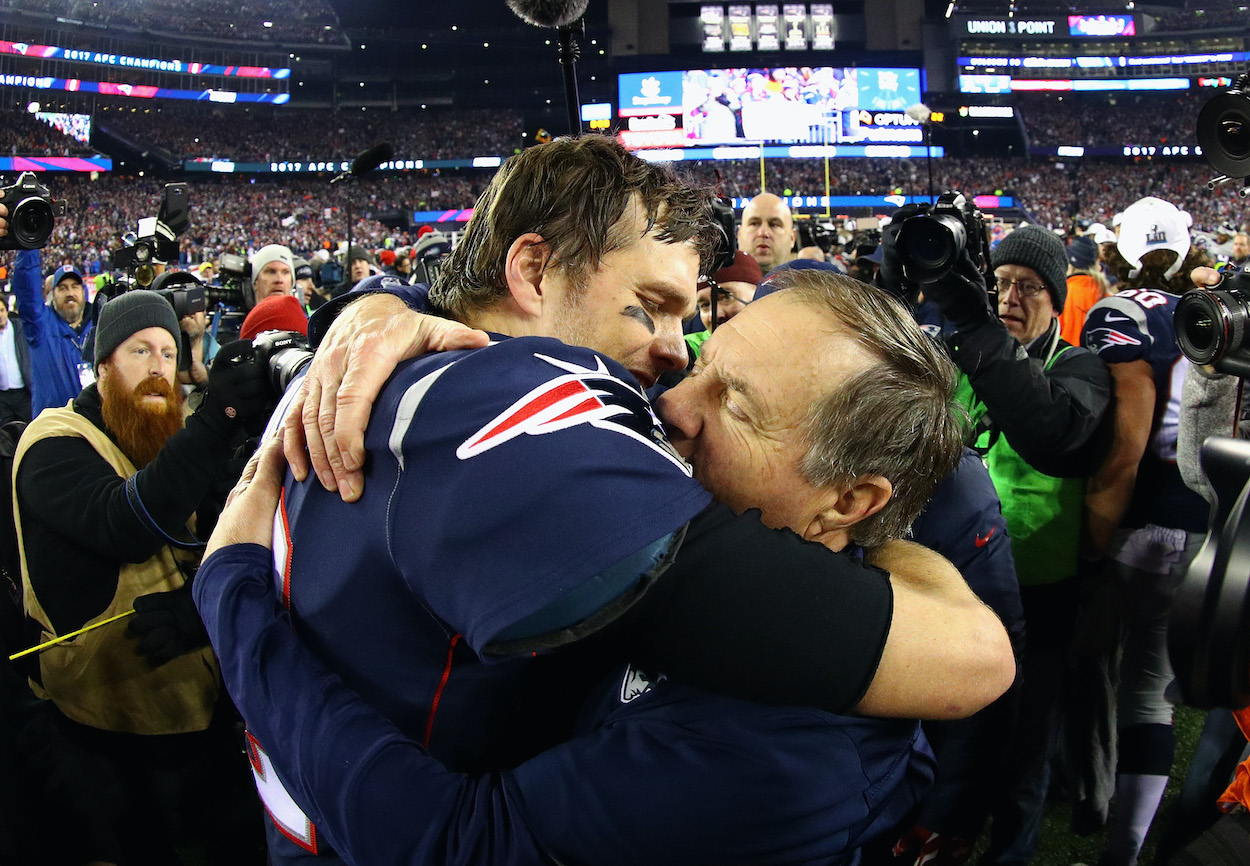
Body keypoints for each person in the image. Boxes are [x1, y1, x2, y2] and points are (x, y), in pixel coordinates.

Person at [228, 136, 1013, 864]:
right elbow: (971, 659)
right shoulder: (528, 434)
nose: (672, 383)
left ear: (852, 501)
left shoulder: (389, 382)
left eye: (726, 392)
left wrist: (381, 305)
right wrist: (232, 600)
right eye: (656, 304)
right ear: (531, 272)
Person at [878, 217, 1113, 866]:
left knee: (1019, 768)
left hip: (1039, 604)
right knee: (931, 745)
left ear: (1057, 300)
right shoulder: (955, 357)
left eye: (1030, 287)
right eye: (1001, 282)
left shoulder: (1082, 368)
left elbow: (1052, 433)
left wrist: (972, 325)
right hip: (945, 591)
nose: (1010, 297)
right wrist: (896, 291)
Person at [12, 290, 272, 864]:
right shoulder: (52, 441)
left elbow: (231, 536)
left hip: (199, 717)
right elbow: (123, 523)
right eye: (139, 351)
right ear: (103, 364)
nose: (158, 370)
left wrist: (198, 611)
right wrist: (214, 423)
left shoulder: (162, 435)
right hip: (97, 732)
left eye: (167, 353)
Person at [1071, 194, 1213, 866]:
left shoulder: (1120, 314)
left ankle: (1107, 824)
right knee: (1161, 686)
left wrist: (1094, 545)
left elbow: (1126, 446)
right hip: (1209, 524)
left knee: (1115, 677)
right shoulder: (1212, 313)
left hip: (1142, 528)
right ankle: (1132, 834)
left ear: (1114, 250)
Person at [9, 252, 94, 417]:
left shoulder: (100, 325)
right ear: (52, 296)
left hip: (96, 429)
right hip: (54, 431)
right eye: (62, 288)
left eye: (74, 286)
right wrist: (29, 244)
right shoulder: (40, 325)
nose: (69, 293)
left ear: (84, 292)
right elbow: (26, 286)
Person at [687, 249, 762, 358]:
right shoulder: (688, 352)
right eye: (705, 305)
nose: (715, 314)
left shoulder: (786, 344)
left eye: (726, 298)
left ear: (758, 296)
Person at [738, 192, 797, 272]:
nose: (763, 233)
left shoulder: (809, 283)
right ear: (739, 235)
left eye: (774, 225)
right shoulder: (719, 280)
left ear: (792, 238)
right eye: (754, 224)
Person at [0, 296, 31, 424]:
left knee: (28, 429)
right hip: (2, 398)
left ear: (6, 311)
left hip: (23, 393)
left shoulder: (21, 329)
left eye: (1, 310)